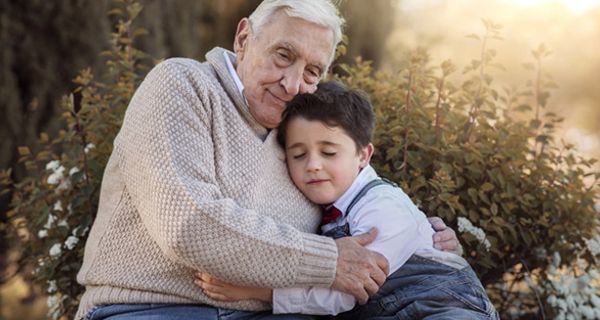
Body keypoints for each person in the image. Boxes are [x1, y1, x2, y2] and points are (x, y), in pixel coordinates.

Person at [75, 1, 461, 319]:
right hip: (152, 308)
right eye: (283, 55)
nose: (293, 84)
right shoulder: (183, 85)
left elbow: (364, 193)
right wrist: (328, 261)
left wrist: (424, 237)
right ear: (244, 38)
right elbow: (189, 225)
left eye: (312, 71)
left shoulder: (299, 131)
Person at [195, 81, 499, 319]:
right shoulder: (325, 206)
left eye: (329, 153)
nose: (313, 164)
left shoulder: (382, 206)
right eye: (298, 155)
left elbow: (348, 291)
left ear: (363, 155)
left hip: (442, 308)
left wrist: (257, 292)